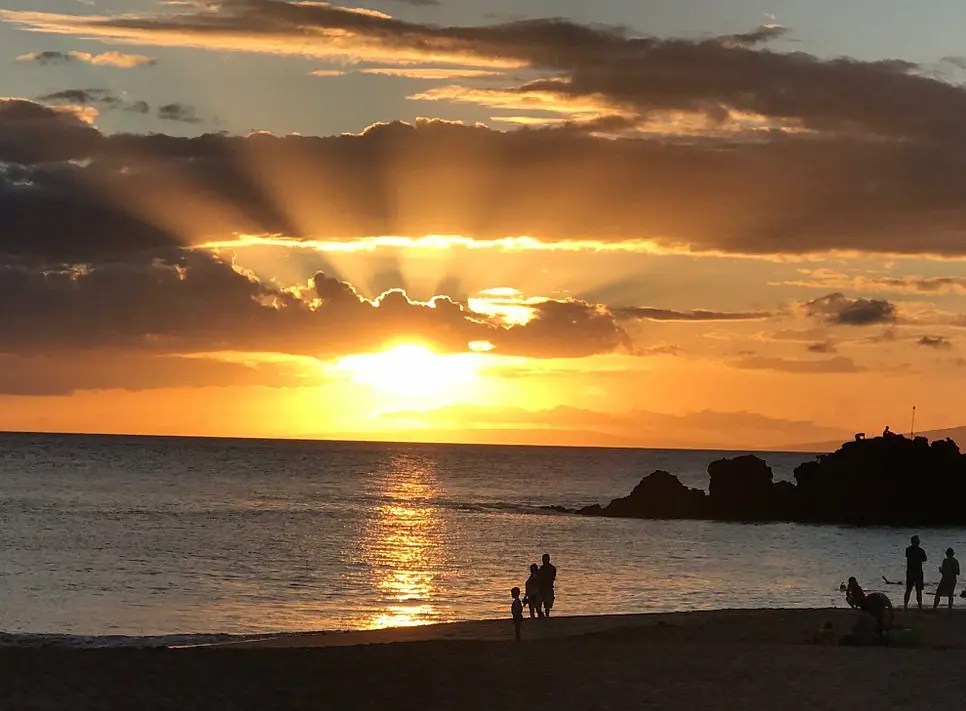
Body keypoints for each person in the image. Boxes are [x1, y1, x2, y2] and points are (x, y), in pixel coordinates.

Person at [904, 535, 927, 610]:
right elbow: (924, 559)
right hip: (918, 572)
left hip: (910, 572)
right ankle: (920, 606)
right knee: (918, 590)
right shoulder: (920, 550)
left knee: (908, 589)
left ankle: (905, 606)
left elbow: (907, 556)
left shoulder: (908, 550)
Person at [539, 553, 557, 618]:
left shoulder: (552, 568)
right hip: (542, 588)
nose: (543, 561)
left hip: (548, 588)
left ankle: (547, 616)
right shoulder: (542, 568)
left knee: (547, 604)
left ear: (548, 559)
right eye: (543, 559)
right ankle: (543, 615)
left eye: (544, 559)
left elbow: (552, 578)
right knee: (539, 603)